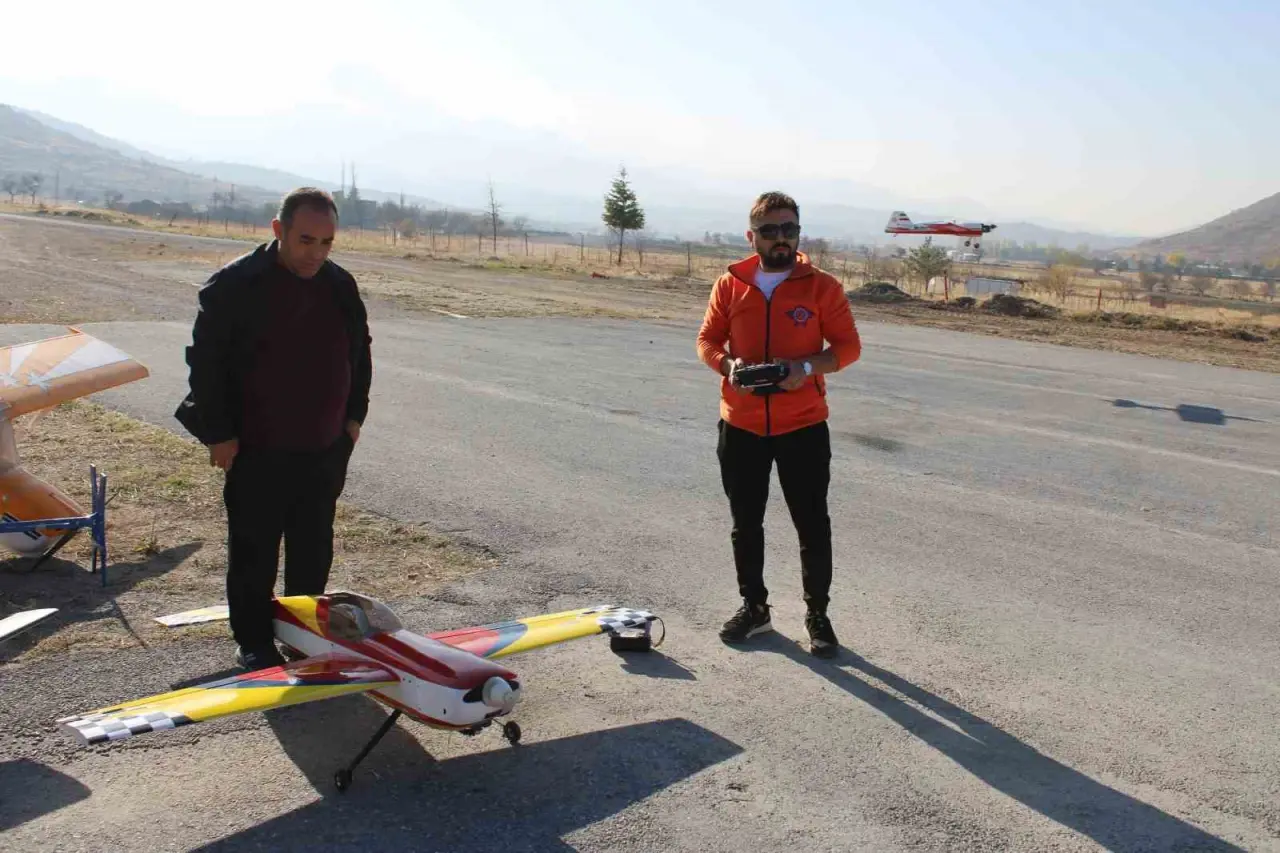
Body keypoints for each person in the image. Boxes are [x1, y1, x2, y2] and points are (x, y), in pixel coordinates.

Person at [174, 187, 372, 670]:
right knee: (254, 549)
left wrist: (353, 419)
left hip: (324, 447)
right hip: (256, 447)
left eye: (327, 242)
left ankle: (303, 635)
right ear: (278, 230)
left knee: (313, 548)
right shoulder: (234, 285)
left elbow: (359, 352)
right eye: (306, 240)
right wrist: (219, 433)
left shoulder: (339, 285)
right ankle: (254, 641)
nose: (316, 253)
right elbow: (206, 365)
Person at [695, 191, 861, 658]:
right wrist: (729, 366)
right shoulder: (730, 284)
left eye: (790, 229)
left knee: (812, 524)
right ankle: (755, 608)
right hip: (741, 425)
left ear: (799, 234)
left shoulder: (822, 287)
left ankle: (818, 615)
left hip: (802, 426)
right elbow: (707, 340)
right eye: (770, 231)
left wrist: (804, 369)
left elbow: (847, 348)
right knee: (745, 523)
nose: (781, 238)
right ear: (752, 237)